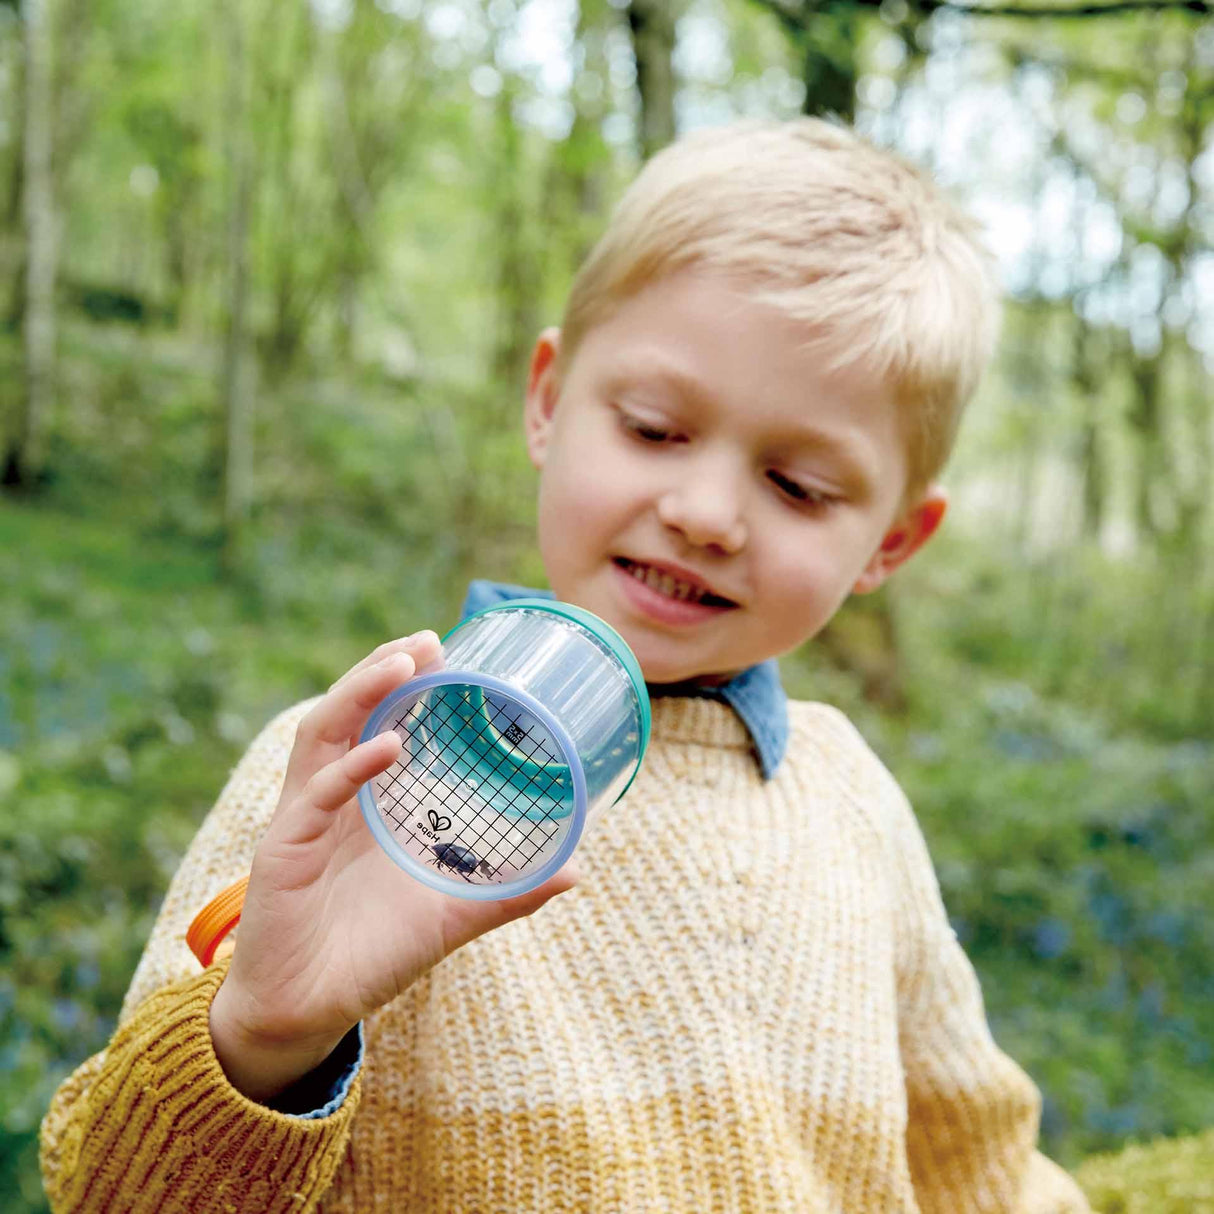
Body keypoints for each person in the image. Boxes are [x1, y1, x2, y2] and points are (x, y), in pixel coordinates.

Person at [40, 118, 1092, 1213]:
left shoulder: (851, 804)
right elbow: (114, 1192)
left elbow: (979, 1161)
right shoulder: (352, 773)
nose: (703, 513)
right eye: (652, 429)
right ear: (547, 400)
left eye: (797, 487)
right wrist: (264, 1033)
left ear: (889, 541)